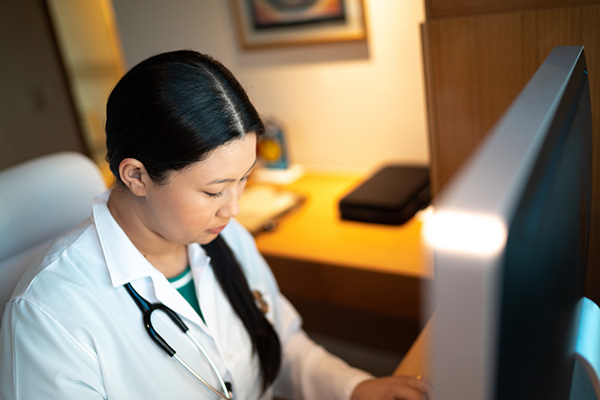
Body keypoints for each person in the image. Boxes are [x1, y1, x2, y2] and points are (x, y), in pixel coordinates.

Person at [0, 50, 430, 400]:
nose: (235, 208)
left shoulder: (223, 237)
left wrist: (355, 388)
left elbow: (279, 341)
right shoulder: (50, 315)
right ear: (136, 176)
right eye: (215, 190)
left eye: (245, 180)